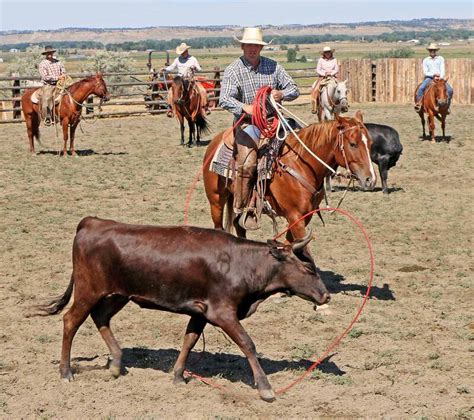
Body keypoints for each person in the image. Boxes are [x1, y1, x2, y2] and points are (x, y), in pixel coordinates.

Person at [219, 27, 299, 227]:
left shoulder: (274, 66)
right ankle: (243, 207)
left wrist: (282, 94)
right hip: (248, 124)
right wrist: (245, 107)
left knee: (302, 145)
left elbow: (294, 89)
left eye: (256, 46)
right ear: (243, 46)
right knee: (248, 163)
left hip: (275, 121)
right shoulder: (233, 70)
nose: (252, 49)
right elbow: (224, 99)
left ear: (260, 48)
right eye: (249, 45)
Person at [161, 42, 210, 118]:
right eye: (181, 52)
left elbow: (199, 69)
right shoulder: (177, 59)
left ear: (186, 51)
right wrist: (165, 69)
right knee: (171, 91)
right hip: (179, 80)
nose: (182, 54)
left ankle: (205, 107)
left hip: (190, 79)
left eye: (183, 52)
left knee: (202, 90)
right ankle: (170, 108)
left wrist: (195, 68)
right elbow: (171, 67)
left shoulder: (193, 59)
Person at [414, 43, 453, 113]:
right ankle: (419, 103)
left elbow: (442, 69)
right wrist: (433, 75)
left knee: (450, 90)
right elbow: (425, 72)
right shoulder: (426, 60)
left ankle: (447, 106)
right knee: (421, 88)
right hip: (429, 78)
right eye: (431, 50)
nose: (432, 51)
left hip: (440, 78)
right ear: (429, 51)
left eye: (434, 50)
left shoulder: (440, 58)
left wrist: (440, 77)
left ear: (436, 51)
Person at [38, 45, 66, 125]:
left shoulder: (58, 62)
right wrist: (58, 78)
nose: (49, 54)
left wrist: (63, 76)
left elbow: (63, 71)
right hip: (48, 85)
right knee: (46, 99)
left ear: (53, 53)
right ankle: (47, 117)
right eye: (48, 53)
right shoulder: (43, 64)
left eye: (51, 52)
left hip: (60, 84)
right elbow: (45, 77)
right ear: (45, 54)